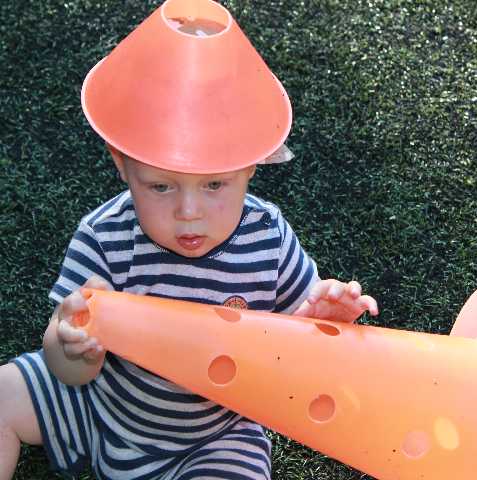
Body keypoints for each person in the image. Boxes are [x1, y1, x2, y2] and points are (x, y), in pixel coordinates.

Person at [0, 1, 378, 479]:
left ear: (249, 165)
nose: (189, 212)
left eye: (215, 185)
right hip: (96, 404)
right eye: (161, 186)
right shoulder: (105, 237)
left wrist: (323, 323)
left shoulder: (267, 239)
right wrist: (71, 345)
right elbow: (67, 369)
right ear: (122, 163)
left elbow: (293, 353)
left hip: (213, 436)